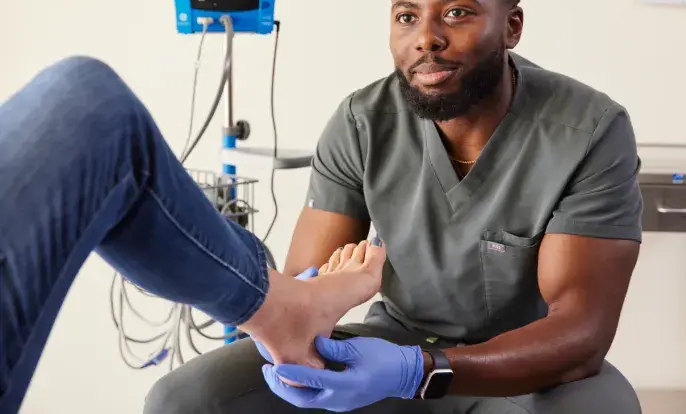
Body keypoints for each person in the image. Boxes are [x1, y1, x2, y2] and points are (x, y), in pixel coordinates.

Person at [146, 0, 645, 414]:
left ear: (511, 26)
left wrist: (419, 372)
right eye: (407, 17)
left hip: (526, 368)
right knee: (187, 398)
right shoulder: (363, 123)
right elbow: (305, 294)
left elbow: (581, 332)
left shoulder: (588, 130)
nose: (426, 38)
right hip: (392, 344)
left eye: (456, 14)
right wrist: (318, 297)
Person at [0, 55, 414, 414]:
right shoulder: (363, 121)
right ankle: (283, 304)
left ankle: (281, 301)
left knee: (85, 104)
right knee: (87, 106)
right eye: (406, 15)